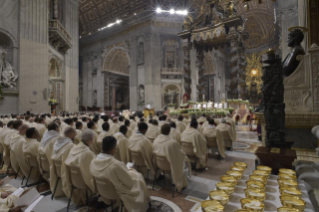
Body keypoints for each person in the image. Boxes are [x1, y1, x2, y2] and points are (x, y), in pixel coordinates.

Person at [90, 136, 151, 212]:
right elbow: (129, 182)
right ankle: (143, 205)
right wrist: (131, 170)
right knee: (139, 178)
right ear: (113, 149)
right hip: (116, 192)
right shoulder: (116, 164)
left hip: (102, 190)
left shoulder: (93, 161)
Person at [153, 124, 191, 192]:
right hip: (169, 165)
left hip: (159, 164)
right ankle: (179, 182)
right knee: (184, 160)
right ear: (169, 131)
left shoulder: (156, 140)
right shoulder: (172, 142)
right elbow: (179, 154)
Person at [63, 130, 96, 206]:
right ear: (91, 139)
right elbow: (93, 170)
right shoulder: (87, 153)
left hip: (75, 181)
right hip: (84, 182)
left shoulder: (75, 147)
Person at [50, 127, 75, 198]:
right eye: (74, 135)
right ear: (70, 134)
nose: (75, 137)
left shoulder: (57, 142)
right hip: (66, 171)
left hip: (58, 170)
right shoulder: (70, 145)